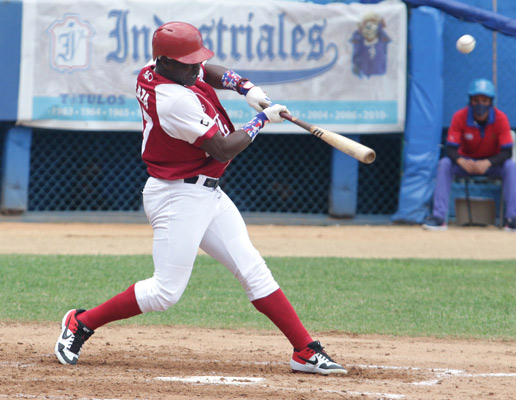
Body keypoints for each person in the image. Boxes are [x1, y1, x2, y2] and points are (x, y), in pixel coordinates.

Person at [54, 21, 346, 376]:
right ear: (164, 61)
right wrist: (260, 120)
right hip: (177, 196)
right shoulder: (173, 99)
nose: (196, 68)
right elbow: (222, 149)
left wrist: (245, 87)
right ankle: (80, 323)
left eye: (196, 60)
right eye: (187, 62)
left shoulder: (158, 69)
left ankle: (305, 350)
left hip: (206, 193)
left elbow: (206, 69)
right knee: (165, 293)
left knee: (253, 269)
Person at [422, 78, 516, 233]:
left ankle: (514, 219)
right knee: (445, 163)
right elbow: (450, 148)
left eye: (485, 100)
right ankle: (438, 218)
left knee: (511, 166)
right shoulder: (460, 116)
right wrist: (460, 160)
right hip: (465, 164)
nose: (480, 104)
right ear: (470, 100)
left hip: (491, 165)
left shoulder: (500, 118)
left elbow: (507, 151)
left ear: (491, 101)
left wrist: (488, 162)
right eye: (476, 100)